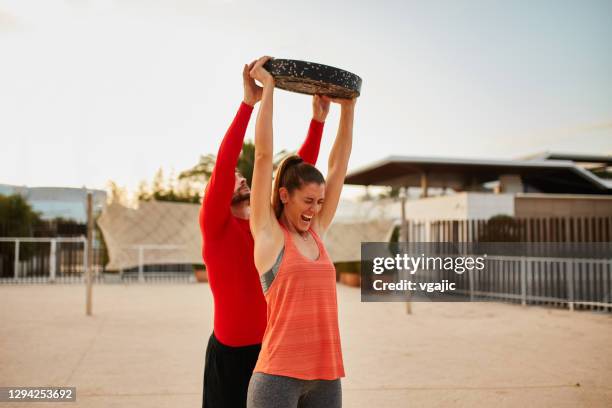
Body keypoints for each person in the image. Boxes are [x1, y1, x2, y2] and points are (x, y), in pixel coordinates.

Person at [200, 60, 331, 408]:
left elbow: (296, 179)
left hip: (274, 354)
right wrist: (248, 103)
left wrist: (317, 122)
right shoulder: (215, 226)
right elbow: (225, 162)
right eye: (233, 179)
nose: (241, 178)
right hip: (229, 357)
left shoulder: (269, 225)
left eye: (243, 177)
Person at [247, 56, 357, 408]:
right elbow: (264, 157)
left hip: (326, 378)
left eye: (320, 202)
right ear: (284, 195)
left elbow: (338, 167)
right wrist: (269, 90)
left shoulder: (317, 234)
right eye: (308, 200)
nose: (315, 209)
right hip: (277, 379)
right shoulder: (269, 236)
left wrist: (348, 108)